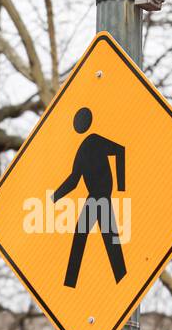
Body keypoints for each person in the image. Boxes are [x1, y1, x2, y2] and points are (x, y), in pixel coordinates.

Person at [51, 106, 127, 287]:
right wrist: (53, 198)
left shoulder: (94, 141)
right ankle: (70, 283)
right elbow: (73, 180)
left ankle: (122, 279)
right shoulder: (82, 149)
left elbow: (120, 150)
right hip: (94, 197)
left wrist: (121, 186)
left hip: (102, 197)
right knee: (89, 235)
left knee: (109, 238)